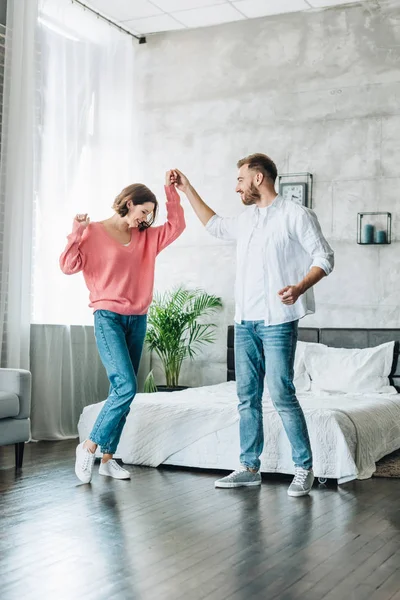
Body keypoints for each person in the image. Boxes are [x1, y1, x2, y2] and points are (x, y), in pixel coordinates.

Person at [171, 155, 334, 497]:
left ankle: (304, 468)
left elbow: (324, 257)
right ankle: (249, 468)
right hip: (245, 323)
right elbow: (214, 224)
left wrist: (300, 287)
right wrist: (187, 190)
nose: (237, 186)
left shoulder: (295, 215)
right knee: (246, 398)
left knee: (281, 393)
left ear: (259, 178)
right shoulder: (247, 220)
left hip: (278, 321)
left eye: (241, 179)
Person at [60, 172, 185, 483]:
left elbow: (177, 226)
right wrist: (76, 232)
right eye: (143, 212)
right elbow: (68, 266)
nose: (146, 220)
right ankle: (88, 447)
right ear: (129, 204)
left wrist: (170, 191)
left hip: (137, 318)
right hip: (108, 317)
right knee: (127, 386)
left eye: (150, 215)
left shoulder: (146, 237)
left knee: (121, 391)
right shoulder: (93, 232)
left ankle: (108, 457)